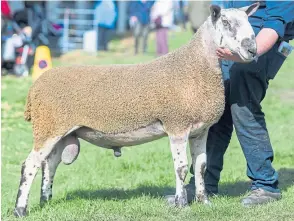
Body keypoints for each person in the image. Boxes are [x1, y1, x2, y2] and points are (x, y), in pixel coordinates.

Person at [166, 1, 294, 206]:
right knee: (216, 110)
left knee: (243, 108)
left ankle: (266, 185)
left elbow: (274, 25)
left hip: (261, 44)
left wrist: (245, 55)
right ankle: (203, 184)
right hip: (230, 45)